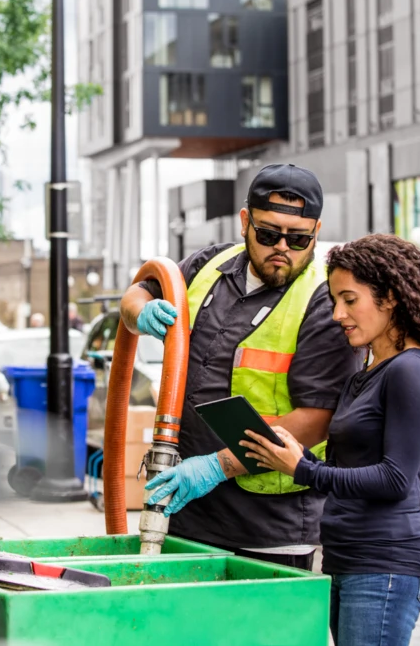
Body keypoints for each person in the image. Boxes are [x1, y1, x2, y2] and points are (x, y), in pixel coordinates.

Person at [122, 163, 363, 571]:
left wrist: (217, 465)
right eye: (268, 234)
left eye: (299, 238)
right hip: (186, 513)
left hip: (269, 527)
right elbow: (139, 290)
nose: (283, 247)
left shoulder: (323, 302)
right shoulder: (210, 267)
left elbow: (317, 418)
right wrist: (139, 312)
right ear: (244, 221)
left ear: (316, 232)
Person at [241, 234, 420, 646]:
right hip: (349, 561)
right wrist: (292, 452)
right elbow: (346, 470)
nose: (338, 314)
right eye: (334, 301)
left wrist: (303, 469)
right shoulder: (363, 376)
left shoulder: (410, 370)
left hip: (385, 563)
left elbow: (395, 479)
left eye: (349, 299)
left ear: (390, 297)